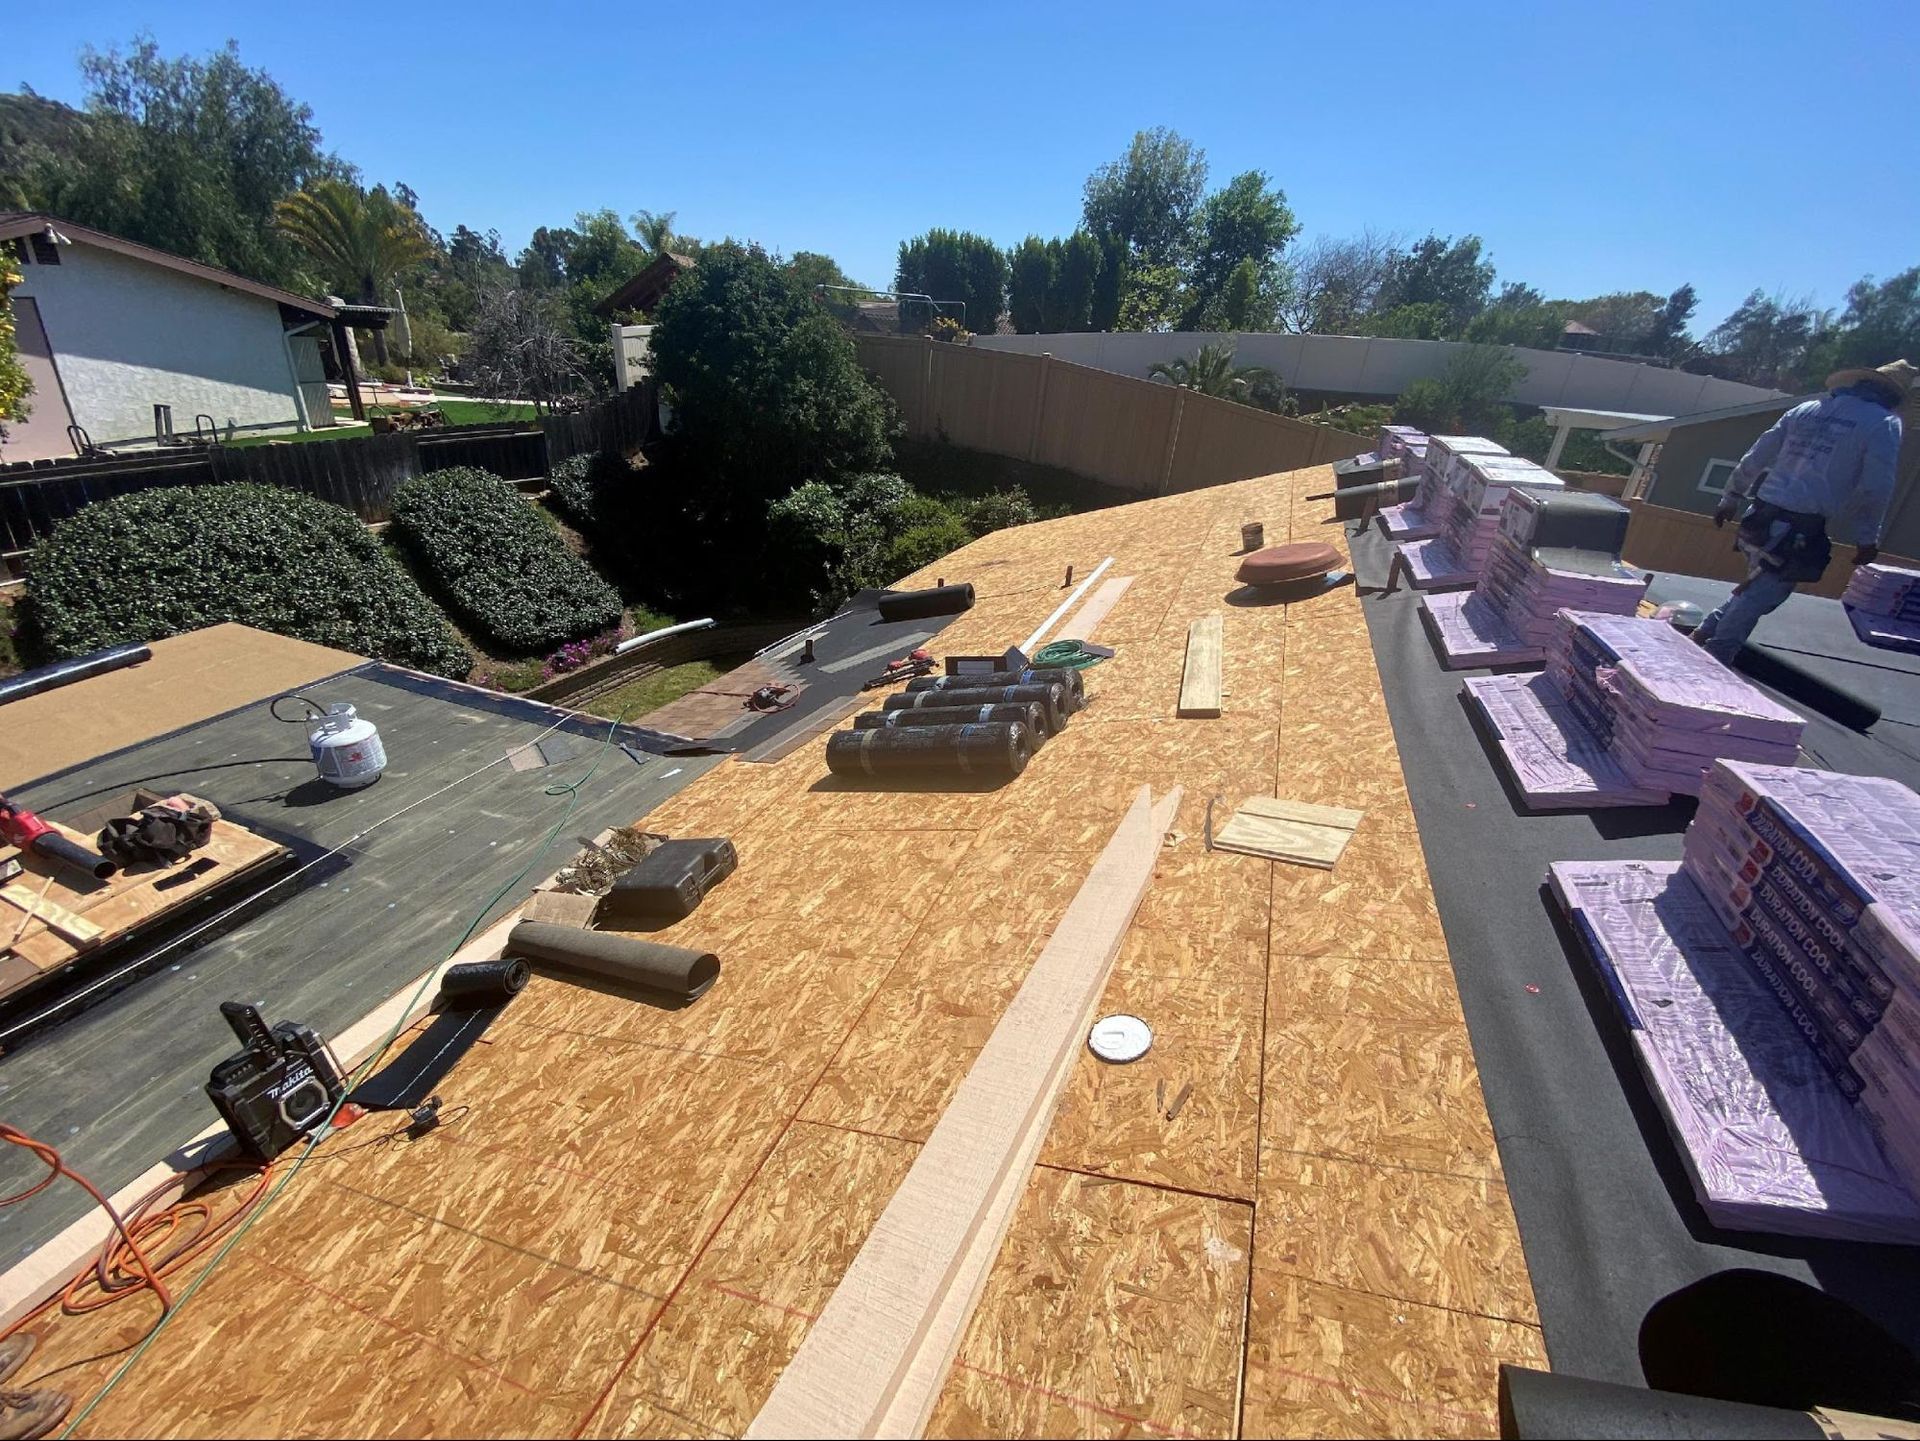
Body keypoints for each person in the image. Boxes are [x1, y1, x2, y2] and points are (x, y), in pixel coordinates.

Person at [1693, 359, 1911, 665]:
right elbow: (1876, 486)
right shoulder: (1882, 423)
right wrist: (1866, 536)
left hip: (1761, 515)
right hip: (1797, 526)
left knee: (1758, 583)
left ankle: (1704, 632)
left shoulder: (1806, 410)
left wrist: (1731, 496)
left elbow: (1759, 452)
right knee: (1764, 592)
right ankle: (1714, 658)